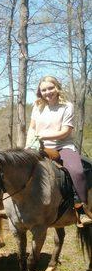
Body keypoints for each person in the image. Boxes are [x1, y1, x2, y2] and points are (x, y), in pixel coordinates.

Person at [26, 75, 91, 226]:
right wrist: (28, 144)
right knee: (17, 166)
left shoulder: (67, 106)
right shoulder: (37, 106)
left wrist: (42, 136)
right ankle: (10, 205)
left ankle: (80, 208)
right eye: (44, 89)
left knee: (77, 171)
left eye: (50, 88)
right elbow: (32, 128)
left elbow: (65, 131)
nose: (47, 92)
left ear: (57, 88)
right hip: (38, 147)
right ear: (39, 92)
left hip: (63, 146)